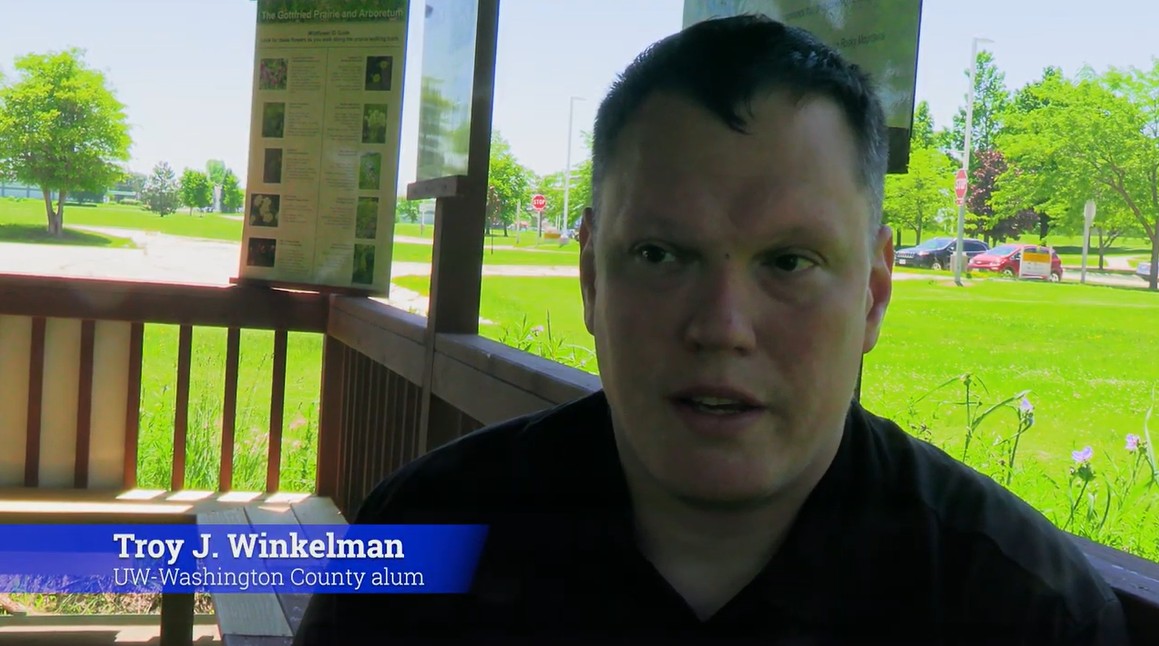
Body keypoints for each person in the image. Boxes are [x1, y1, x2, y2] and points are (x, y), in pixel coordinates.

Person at [295, 15, 1128, 644]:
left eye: (790, 262)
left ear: (873, 294)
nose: (722, 327)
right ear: (591, 276)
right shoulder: (423, 537)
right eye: (659, 254)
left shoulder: (1018, 609)